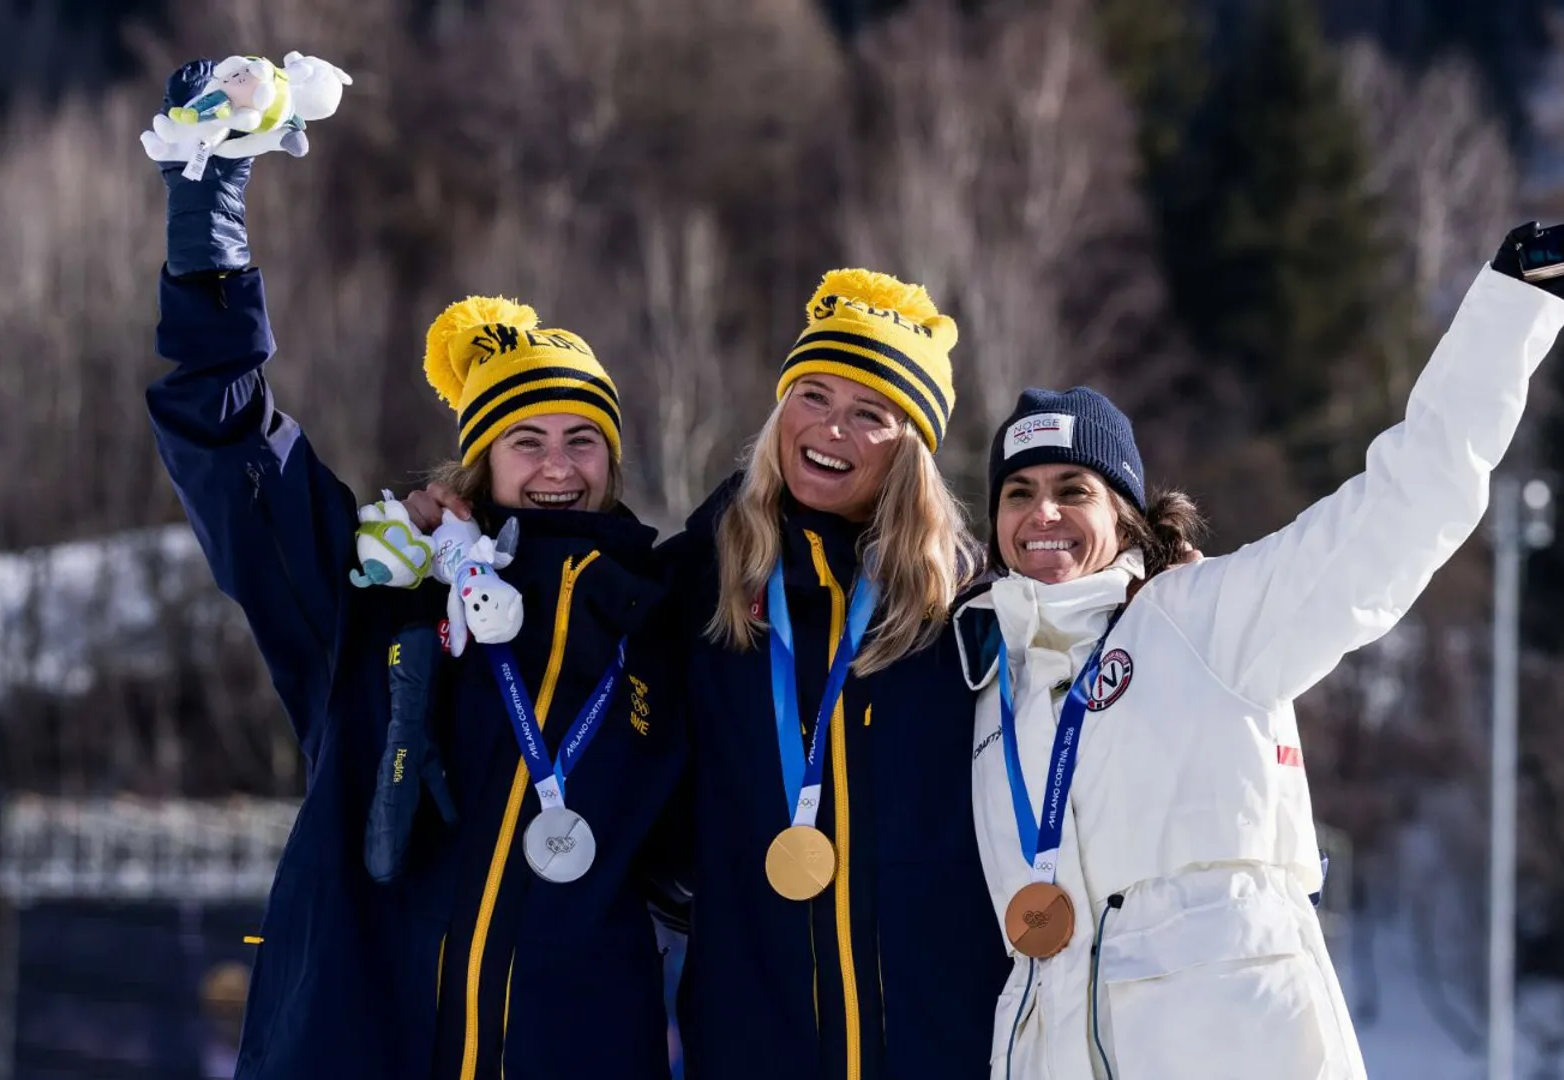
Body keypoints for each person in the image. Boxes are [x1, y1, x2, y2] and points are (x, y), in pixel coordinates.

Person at [953, 221, 1564, 1079]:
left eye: (1072, 490)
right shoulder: (988, 686)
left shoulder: (1209, 619)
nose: (1042, 515)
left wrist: (1508, 309)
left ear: (1126, 514)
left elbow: (1406, 505)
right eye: (1018, 493)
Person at [146, 59, 681, 1080]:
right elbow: (230, 447)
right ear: (480, 460)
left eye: (584, 440)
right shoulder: (382, 595)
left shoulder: (662, 617)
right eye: (527, 441)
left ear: (615, 462)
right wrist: (206, 219)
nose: (559, 466)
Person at [655, 269, 1010, 1080]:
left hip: (938, 1045)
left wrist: (1158, 583)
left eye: (869, 415)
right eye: (812, 396)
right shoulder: (694, 583)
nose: (831, 429)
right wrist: (454, 541)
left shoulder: (970, 611)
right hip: (753, 1037)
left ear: (910, 449)